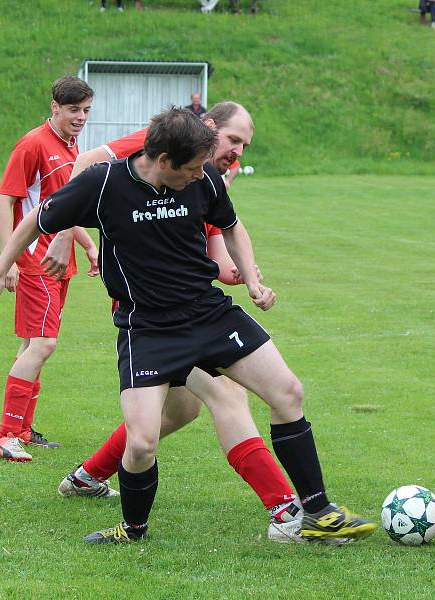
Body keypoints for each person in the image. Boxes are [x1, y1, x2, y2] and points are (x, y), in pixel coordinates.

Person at [0, 107, 376, 546]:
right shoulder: (105, 184)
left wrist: (253, 278)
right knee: (143, 443)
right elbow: (36, 219)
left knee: (288, 391)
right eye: (191, 169)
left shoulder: (203, 179)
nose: (201, 176)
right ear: (163, 161)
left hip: (207, 313)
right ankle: (132, 529)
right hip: (147, 327)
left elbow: (231, 226)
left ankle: (316, 510)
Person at [54, 102, 318, 544]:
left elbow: (209, 240)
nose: (236, 153)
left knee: (179, 412)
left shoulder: (202, 176)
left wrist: (238, 273)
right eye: (232, 141)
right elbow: (86, 169)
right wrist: (67, 239)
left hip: (191, 306)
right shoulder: (157, 151)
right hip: (149, 313)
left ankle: (89, 474)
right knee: (225, 396)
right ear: (206, 130)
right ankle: (286, 509)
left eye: (244, 146)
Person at [0, 76, 99, 462]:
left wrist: (87, 246)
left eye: (86, 111)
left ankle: (20, 428)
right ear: (54, 106)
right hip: (35, 261)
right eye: (73, 110)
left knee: (31, 344)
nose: (81, 117)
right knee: (43, 344)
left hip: (58, 262)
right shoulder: (33, 143)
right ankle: (5, 434)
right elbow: (4, 201)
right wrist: (8, 262)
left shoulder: (71, 145)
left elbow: (62, 205)